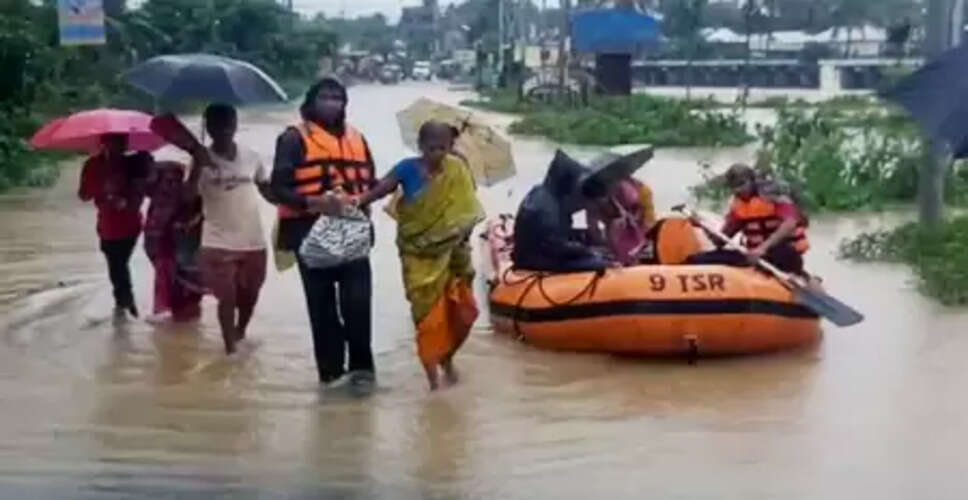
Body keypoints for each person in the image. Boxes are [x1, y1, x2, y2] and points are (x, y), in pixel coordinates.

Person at [355, 120, 485, 390]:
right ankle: (433, 380)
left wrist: (461, 234)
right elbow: (381, 189)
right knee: (427, 318)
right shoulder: (406, 168)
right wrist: (356, 202)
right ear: (420, 146)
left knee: (461, 312)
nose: (437, 153)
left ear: (450, 147)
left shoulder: (457, 168)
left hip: (454, 254)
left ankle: (448, 360)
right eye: (431, 148)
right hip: (417, 254)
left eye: (443, 148)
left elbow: (468, 211)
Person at [269, 77, 378, 389]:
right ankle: (330, 376)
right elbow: (279, 188)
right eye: (325, 97)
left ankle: (362, 375)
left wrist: (362, 202)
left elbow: (370, 181)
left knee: (358, 305)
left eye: (337, 97)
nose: (332, 103)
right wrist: (315, 202)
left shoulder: (357, 138)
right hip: (309, 232)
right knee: (323, 309)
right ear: (311, 102)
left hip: (352, 232)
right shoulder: (293, 139)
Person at [188, 104, 271, 355]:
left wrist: (295, 203)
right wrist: (197, 166)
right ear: (209, 128)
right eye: (217, 125)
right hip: (217, 241)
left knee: (250, 295)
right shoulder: (199, 159)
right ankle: (230, 351)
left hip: (253, 239)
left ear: (235, 125)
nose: (223, 129)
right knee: (227, 297)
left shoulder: (252, 156)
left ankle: (240, 332)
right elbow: (187, 197)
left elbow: (267, 190)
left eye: (228, 124)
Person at [78, 134, 150, 320]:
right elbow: (83, 195)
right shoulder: (93, 165)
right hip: (107, 225)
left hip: (130, 224)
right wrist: (103, 188)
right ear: (104, 143)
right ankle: (124, 303)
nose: (120, 147)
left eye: (122, 142)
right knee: (117, 264)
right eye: (114, 142)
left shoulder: (134, 163)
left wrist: (125, 201)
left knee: (118, 264)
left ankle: (125, 303)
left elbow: (142, 193)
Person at [697, 163, 809, 276]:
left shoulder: (774, 196)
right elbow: (720, 241)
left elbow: (790, 224)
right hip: (755, 258)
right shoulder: (738, 207)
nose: (737, 190)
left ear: (752, 181)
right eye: (733, 186)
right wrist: (702, 226)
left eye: (741, 184)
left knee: (781, 251)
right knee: (699, 259)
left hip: (785, 255)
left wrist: (762, 248)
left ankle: (798, 277)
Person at [511, 151, 611, 272]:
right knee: (599, 263)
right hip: (538, 261)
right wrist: (587, 251)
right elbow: (556, 246)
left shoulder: (542, 194)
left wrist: (581, 243)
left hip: (532, 256)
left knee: (592, 254)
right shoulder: (547, 206)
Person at [143, 160, 204, 323]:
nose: (169, 184)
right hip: (170, 248)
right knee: (181, 294)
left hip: (177, 249)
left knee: (181, 293)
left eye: (173, 179)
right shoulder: (163, 197)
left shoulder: (186, 194)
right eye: (166, 179)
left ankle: (172, 315)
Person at [586, 176, 656, 266]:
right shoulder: (601, 196)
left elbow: (648, 220)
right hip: (623, 227)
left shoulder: (636, 190)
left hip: (629, 228)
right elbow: (594, 222)